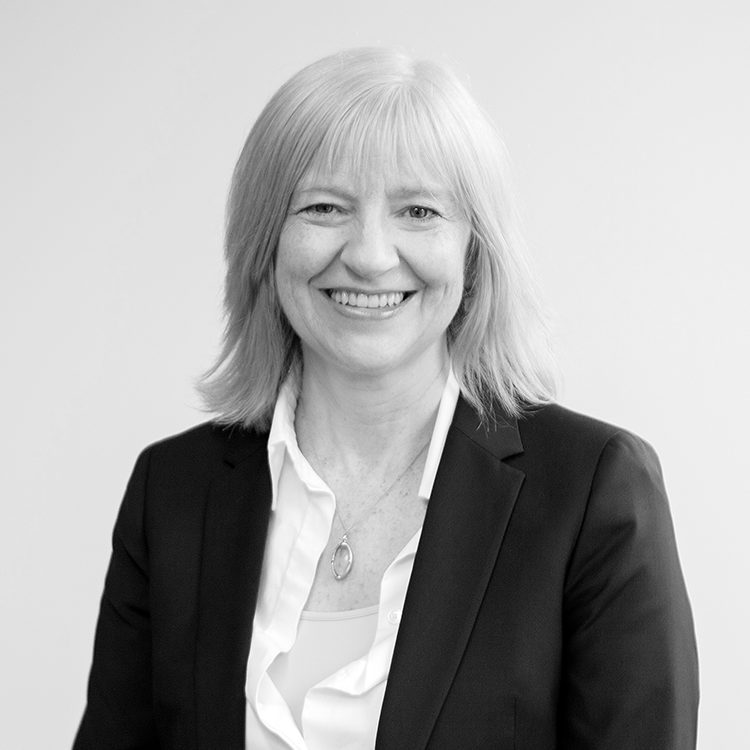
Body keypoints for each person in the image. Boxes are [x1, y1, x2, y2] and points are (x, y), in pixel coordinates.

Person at [73, 47, 699, 750]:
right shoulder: (174, 492)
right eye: (323, 207)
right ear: (266, 243)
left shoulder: (592, 490)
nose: (370, 254)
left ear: (473, 251)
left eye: (418, 210)